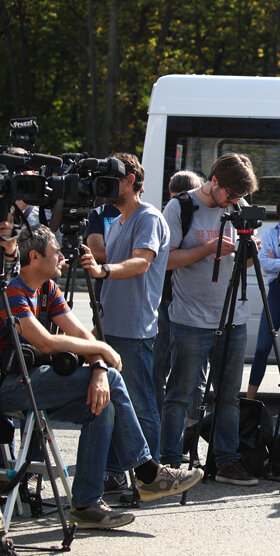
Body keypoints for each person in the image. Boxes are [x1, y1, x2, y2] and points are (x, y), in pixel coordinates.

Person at [0, 225, 202, 529]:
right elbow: (45, 342)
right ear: (34, 257)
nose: (62, 257)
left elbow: (80, 333)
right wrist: (101, 350)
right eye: (55, 252)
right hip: (10, 385)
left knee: (103, 405)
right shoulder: (12, 291)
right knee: (114, 381)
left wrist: (97, 368)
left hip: (38, 383)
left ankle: (85, 505)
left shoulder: (47, 289)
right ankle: (148, 474)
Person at [160, 153, 260, 486]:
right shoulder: (180, 208)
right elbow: (166, 260)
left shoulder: (237, 207)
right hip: (190, 317)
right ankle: (170, 462)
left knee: (229, 395)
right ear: (214, 181)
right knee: (180, 393)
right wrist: (208, 249)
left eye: (239, 196)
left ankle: (227, 461)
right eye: (230, 194)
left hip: (233, 316)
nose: (235, 201)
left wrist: (248, 250)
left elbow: (239, 265)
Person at [79, 154, 170, 494]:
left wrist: (103, 270)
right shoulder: (116, 221)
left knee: (142, 404)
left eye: (110, 178)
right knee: (115, 405)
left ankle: (153, 476)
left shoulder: (149, 217)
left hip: (134, 328)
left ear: (131, 179)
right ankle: (117, 471)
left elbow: (140, 263)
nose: (103, 185)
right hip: (110, 327)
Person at [151, 170, 204, 416]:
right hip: (165, 299)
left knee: (193, 372)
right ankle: (157, 424)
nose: (179, 207)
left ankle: (189, 434)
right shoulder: (167, 216)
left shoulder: (203, 215)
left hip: (192, 303)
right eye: (175, 201)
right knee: (158, 365)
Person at [247, 188, 280, 399]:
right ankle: (250, 398)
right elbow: (265, 263)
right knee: (263, 345)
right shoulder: (271, 233)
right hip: (278, 289)